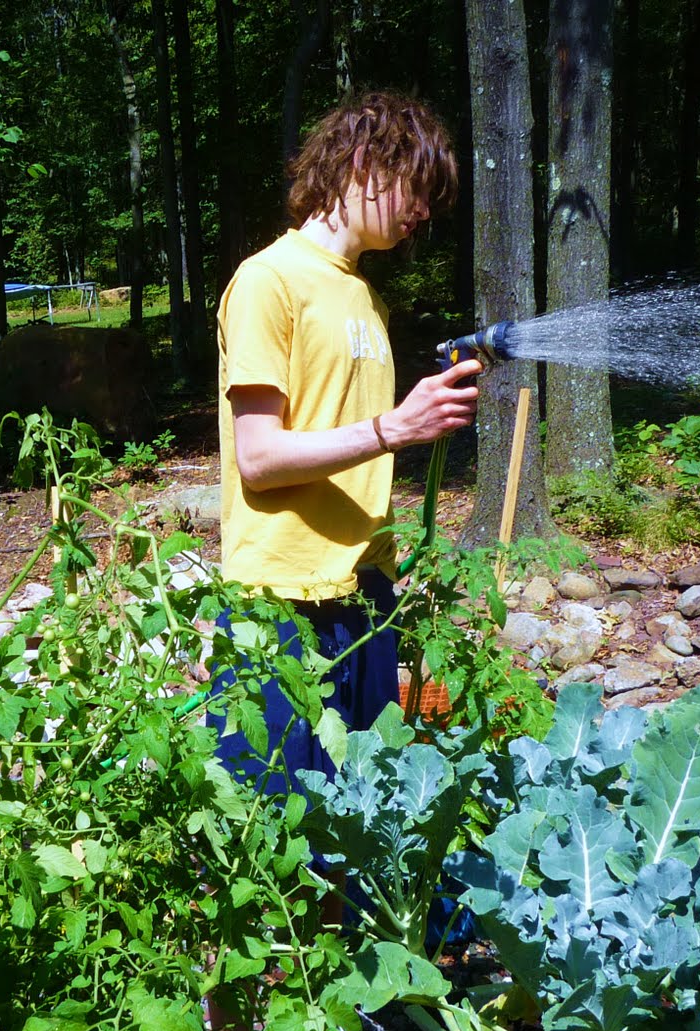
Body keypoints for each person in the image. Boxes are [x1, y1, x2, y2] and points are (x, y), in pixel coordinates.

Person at [206, 89, 481, 802]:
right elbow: (259, 461)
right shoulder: (268, 282)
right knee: (271, 831)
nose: (422, 215)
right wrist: (394, 427)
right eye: (417, 191)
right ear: (364, 162)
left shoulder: (365, 298)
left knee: (362, 826)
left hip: (366, 594)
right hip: (281, 604)